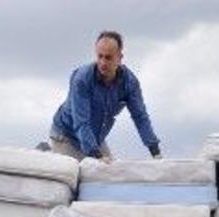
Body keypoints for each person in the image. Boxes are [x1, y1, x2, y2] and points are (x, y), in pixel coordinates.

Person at [44, 31, 161, 161]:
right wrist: (97, 156)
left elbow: (140, 117)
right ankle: (45, 152)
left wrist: (155, 151)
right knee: (80, 175)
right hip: (66, 137)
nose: (103, 62)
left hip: (95, 139)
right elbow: (81, 122)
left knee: (112, 174)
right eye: (100, 56)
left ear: (120, 58)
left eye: (108, 57)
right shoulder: (81, 79)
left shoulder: (130, 82)